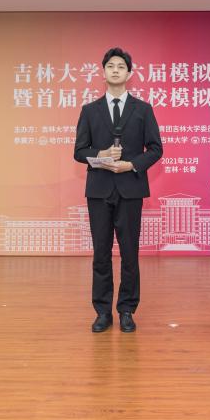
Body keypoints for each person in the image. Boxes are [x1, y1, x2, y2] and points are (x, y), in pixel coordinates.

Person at [73, 48, 163, 333]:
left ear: (129, 73)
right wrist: (100, 154)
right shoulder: (90, 111)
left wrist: (131, 165)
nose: (115, 70)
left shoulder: (143, 109)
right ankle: (102, 312)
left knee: (129, 253)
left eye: (120, 66)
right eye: (110, 66)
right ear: (103, 73)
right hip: (99, 190)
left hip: (130, 189)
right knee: (101, 253)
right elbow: (79, 151)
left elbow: (156, 149)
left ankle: (126, 310)